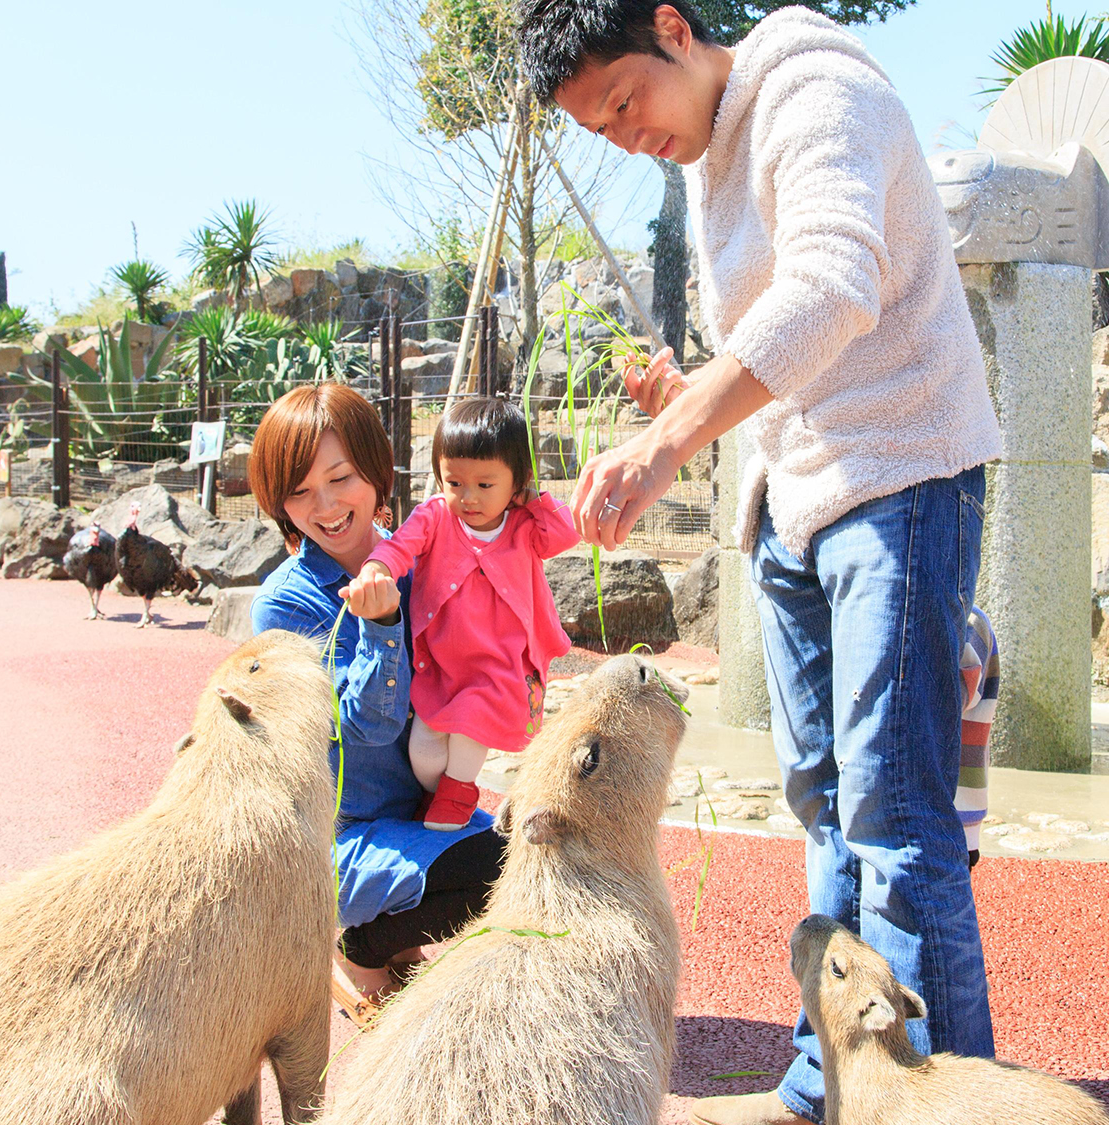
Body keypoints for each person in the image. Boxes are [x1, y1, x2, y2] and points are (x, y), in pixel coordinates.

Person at [518, 3, 1007, 1123]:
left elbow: (833, 287)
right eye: (600, 129)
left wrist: (670, 434)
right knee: (827, 805)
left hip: (898, 475)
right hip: (792, 495)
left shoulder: (813, 92)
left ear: (672, 28)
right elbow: (774, 340)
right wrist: (681, 394)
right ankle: (827, 1079)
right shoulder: (706, 145)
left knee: (893, 812)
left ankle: (942, 1099)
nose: (624, 136)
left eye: (624, 103)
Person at [246, 382, 506, 1023]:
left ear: (376, 472)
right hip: (344, 838)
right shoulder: (285, 604)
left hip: (425, 814)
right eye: (300, 492)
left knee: (535, 856)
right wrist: (384, 625)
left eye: (340, 478)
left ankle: (396, 932)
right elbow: (363, 726)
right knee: (491, 874)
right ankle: (360, 946)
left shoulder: (428, 553)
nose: (326, 507)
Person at [342, 396, 580, 831]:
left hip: (500, 661)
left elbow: (565, 534)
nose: (468, 498)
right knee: (424, 751)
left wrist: (533, 499)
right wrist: (377, 568)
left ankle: (456, 792)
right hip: (440, 659)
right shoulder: (435, 516)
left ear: (517, 482)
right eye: (454, 483)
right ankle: (446, 792)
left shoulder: (524, 524)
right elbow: (399, 546)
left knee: (472, 724)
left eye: (485, 485)